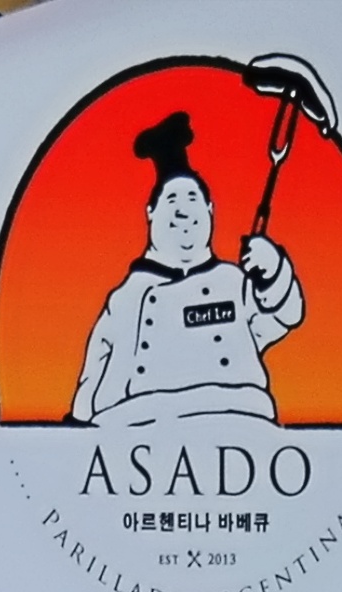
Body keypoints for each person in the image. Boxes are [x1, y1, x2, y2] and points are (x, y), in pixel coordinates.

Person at [69, 111, 304, 430]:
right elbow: (93, 373)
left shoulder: (232, 282)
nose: (183, 210)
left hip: (238, 417)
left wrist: (272, 271)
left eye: (193, 198)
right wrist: (78, 428)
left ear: (210, 210)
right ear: (150, 213)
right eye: (171, 200)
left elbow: (285, 315)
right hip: (134, 426)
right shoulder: (126, 298)